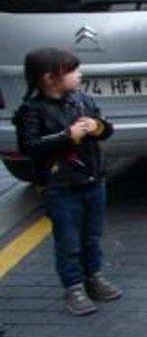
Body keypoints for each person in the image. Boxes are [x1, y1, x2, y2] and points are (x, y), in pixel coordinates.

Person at [13, 48, 120, 316]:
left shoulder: (82, 100)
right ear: (50, 78)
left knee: (92, 236)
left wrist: (97, 128)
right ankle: (73, 285)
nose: (79, 74)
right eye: (72, 71)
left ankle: (92, 276)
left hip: (93, 180)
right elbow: (29, 145)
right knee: (68, 240)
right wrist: (67, 136)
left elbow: (106, 128)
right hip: (60, 187)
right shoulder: (32, 111)